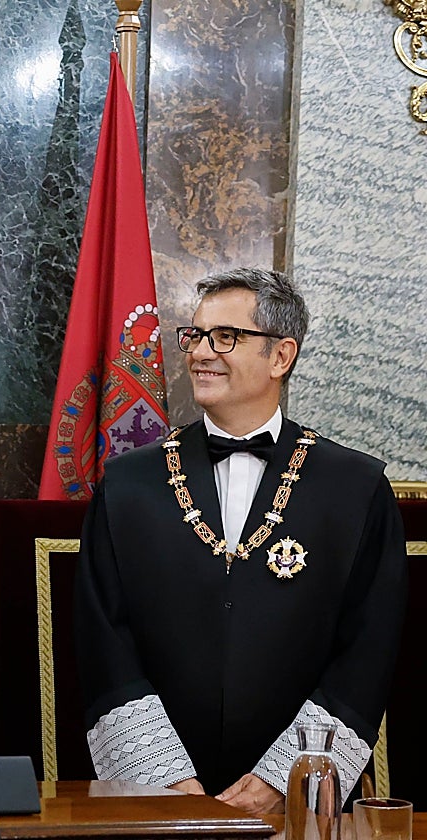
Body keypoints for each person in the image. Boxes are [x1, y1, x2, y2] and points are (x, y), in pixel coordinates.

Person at [73, 268, 407, 816]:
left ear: (281, 356)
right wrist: (164, 779)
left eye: (225, 337)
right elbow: (102, 637)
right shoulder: (128, 484)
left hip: (298, 804)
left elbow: (368, 648)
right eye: (195, 335)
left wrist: (286, 776)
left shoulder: (356, 488)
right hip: (160, 800)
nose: (202, 352)